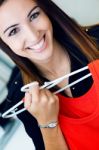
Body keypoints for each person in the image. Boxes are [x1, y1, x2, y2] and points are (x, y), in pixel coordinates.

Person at [0, 0, 99, 150]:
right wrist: (47, 122)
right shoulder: (22, 100)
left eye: (34, 15)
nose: (33, 36)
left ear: (46, 12)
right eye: (13, 31)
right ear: (5, 44)